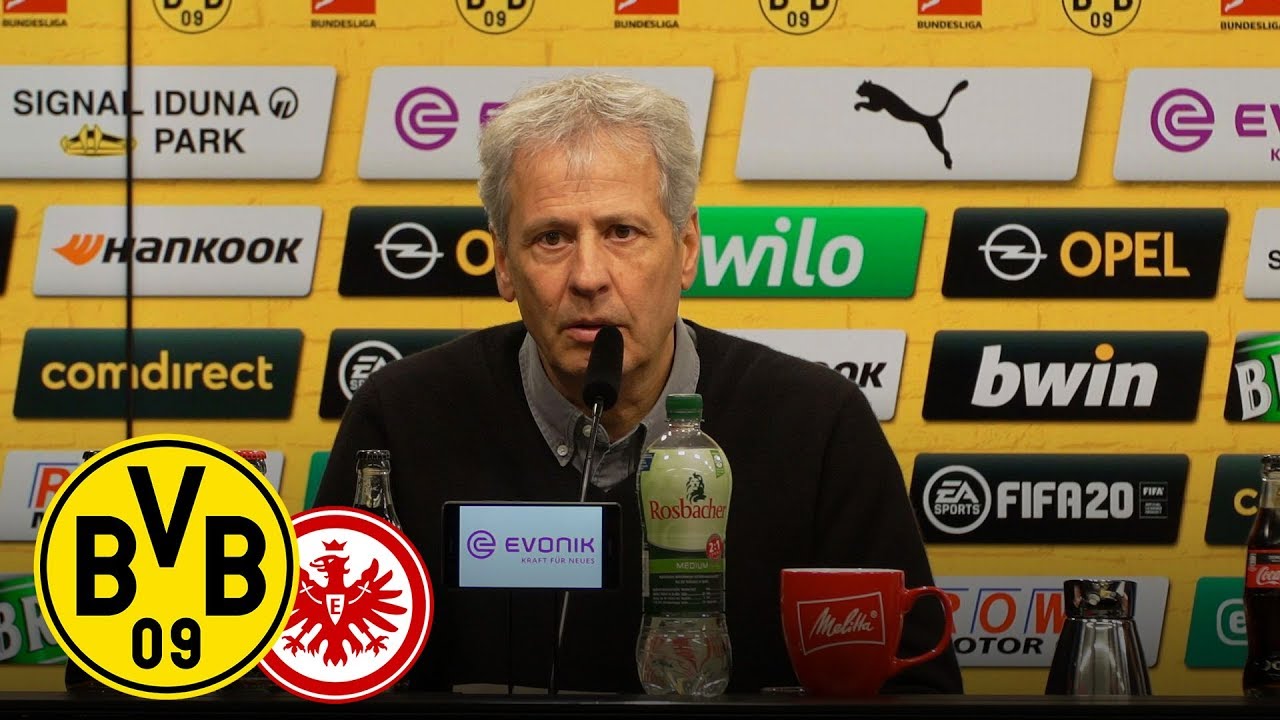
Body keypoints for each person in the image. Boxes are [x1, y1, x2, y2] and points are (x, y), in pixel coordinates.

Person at [316, 73, 963, 695]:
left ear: (686, 249)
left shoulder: (816, 423)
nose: (588, 276)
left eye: (622, 232)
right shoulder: (400, 417)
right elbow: (328, 669)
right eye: (551, 238)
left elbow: (914, 691)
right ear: (505, 266)